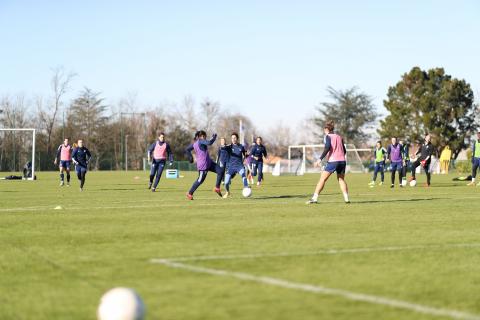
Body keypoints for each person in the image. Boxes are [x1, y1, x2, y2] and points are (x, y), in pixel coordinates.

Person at [307, 120, 349, 204]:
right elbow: (344, 151)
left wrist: (319, 159)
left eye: (324, 130)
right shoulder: (339, 137)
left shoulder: (328, 137)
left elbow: (327, 148)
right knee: (341, 179)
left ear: (326, 129)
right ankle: (346, 199)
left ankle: (314, 198)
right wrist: (340, 157)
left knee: (322, 179)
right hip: (342, 161)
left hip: (333, 161)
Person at [185, 131, 222, 200]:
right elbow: (209, 143)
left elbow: (187, 149)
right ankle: (189, 193)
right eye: (204, 136)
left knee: (220, 171)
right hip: (203, 166)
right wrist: (214, 137)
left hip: (209, 163)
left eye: (205, 136)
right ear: (201, 136)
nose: (205, 138)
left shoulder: (195, 144)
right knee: (200, 180)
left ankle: (217, 187)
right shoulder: (200, 141)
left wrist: (190, 157)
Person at [223, 132, 250, 198]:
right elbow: (224, 148)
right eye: (232, 138)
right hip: (231, 167)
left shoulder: (241, 146)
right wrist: (223, 146)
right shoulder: (229, 146)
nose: (233, 139)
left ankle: (246, 188)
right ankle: (227, 192)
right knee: (226, 182)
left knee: (243, 175)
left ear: (237, 139)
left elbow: (245, 155)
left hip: (239, 166)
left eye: (234, 138)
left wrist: (247, 155)